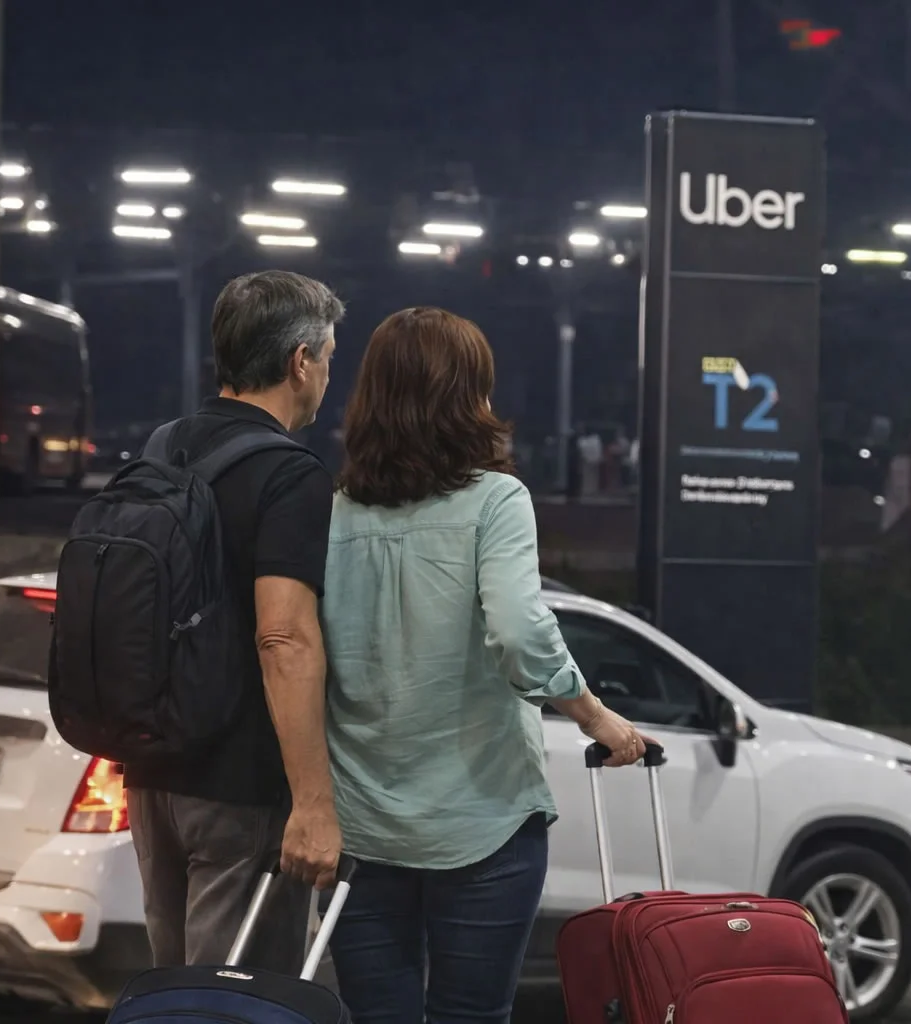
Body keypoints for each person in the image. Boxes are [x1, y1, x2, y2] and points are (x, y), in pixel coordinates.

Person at [321, 307, 653, 1024]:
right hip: (484, 822)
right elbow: (519, 631)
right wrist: (595, 715)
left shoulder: (334, 512)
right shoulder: (495, 501)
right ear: (467, 397)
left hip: (360, 825)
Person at [124, 270, 346, 971]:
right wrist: (312, 802)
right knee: (240, 1003)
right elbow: (284, 637)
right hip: (238, 790)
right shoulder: (290, 474)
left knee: (180, 995)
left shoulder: (160, 450)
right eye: (329, 357)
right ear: (299, 362)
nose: (327, 377)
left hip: (152, 777)